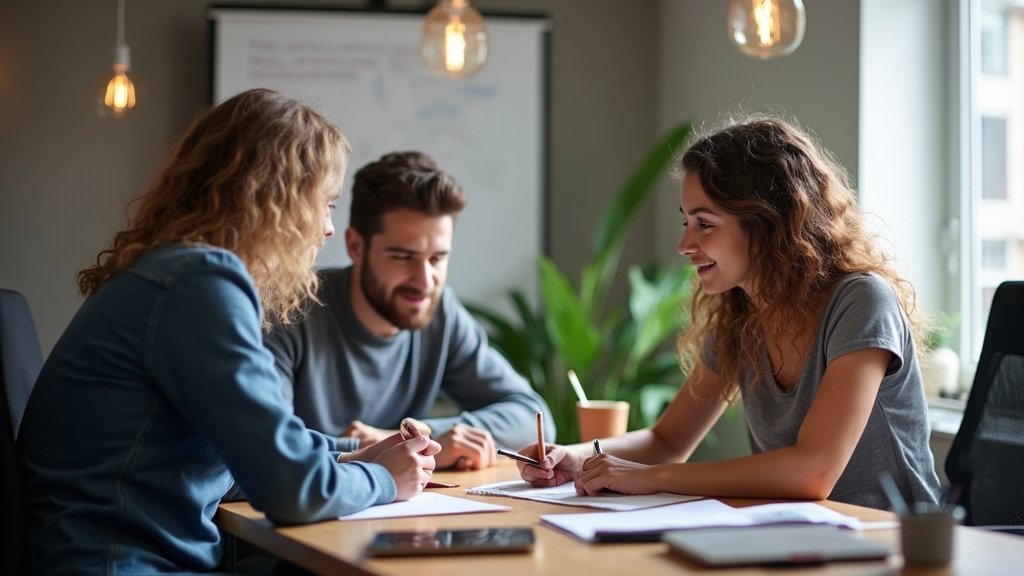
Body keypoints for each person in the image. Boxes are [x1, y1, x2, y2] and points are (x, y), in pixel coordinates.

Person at [17, 89, 440, 575]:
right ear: (275, 198)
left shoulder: (169, 272)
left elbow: (238, 457)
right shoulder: (200, 281)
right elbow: (291, 491)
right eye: (325, 203)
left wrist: (355, 456)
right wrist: (383, 478)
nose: (327, 228)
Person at [514, 115, 942, 510]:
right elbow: (667, 439)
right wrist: (575, 457)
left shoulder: (861, 302)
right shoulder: (742, 315)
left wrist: (653, 478)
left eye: (704, 223)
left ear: (767, 222)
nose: (684, 245)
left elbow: (814, 471)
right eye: (686, 222)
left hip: (895, 543)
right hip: (800, 537)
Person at [264, 150, 554, 471]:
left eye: (437, 258)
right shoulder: (287, 311)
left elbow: (532, 416)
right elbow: (264, 444)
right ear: (356, 247)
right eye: (403, 257)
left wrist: (424, 438)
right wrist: (374, 449)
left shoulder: (441, 313)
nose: (425, 281)